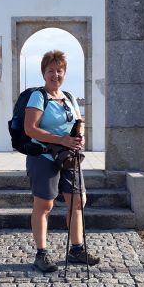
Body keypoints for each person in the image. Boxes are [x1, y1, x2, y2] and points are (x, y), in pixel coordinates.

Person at [24, 49, 100, 273]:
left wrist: (80, 134)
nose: (55, 75)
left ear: (64, 73)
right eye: (51, 70)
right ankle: (41, 254)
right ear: (43, 73)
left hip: (68, 157)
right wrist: (62, 139)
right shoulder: (38, 96)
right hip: (43, 156)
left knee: (77, 201)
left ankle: (76, 249)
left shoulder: (68, 97)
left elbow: (79, 120)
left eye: (59, 70)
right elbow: (31, 129)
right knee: (44, 205)